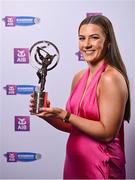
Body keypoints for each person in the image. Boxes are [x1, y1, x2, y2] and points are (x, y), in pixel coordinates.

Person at [29, 15, 130, 179]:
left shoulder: (111, 78)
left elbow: (108, 133)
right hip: (75, 165)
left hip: (101, 166)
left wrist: (65, 115)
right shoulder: (79, 76)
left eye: (94, 38)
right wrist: (48, 114)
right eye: (82, 38)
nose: (87, 44)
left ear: (108, 42)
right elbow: (72, 126)